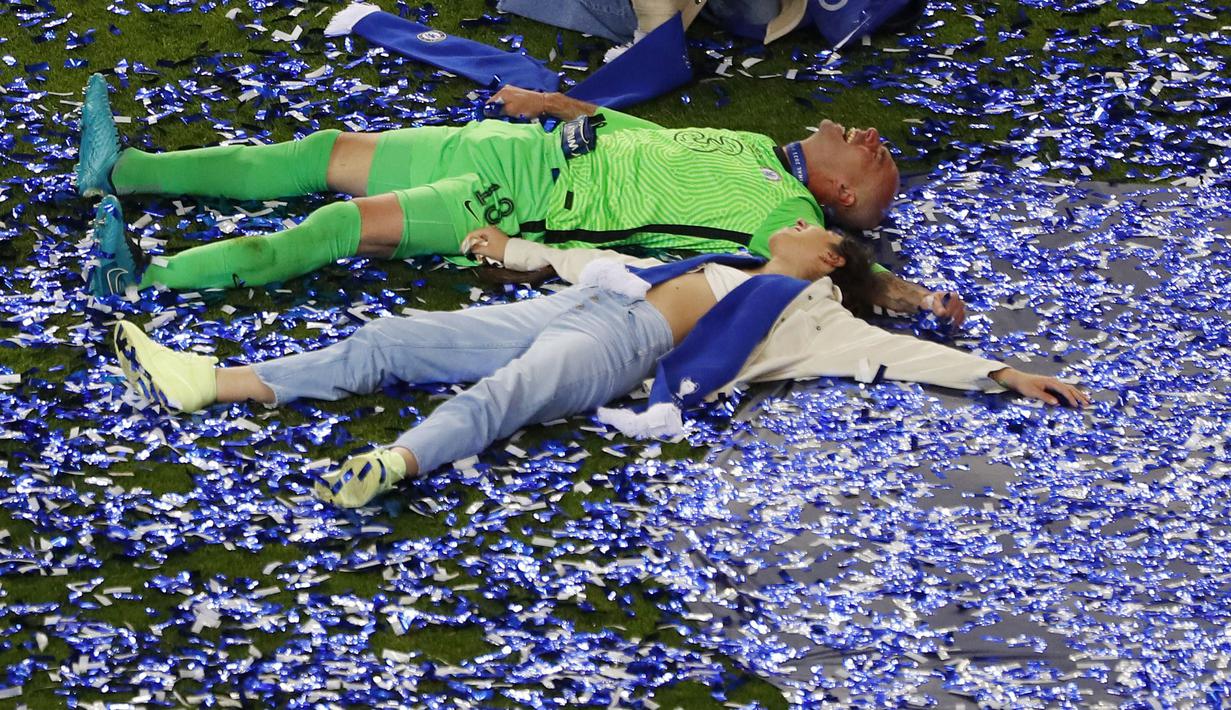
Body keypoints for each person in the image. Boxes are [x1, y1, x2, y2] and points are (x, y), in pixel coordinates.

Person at [110, 221, 1088, 509]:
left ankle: (392, 464)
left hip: (628, 348)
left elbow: (897, 352)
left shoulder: (816, 314)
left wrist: (1002, 372)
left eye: (804, 224)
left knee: (507, 396)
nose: (785, 223)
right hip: (591, 302)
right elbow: (602, 264)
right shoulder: (731, 264)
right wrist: (517, 252)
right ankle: (205, 380)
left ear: (828, 254)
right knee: (393, 340)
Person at [76, 74, 966, 326]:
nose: (868, 135)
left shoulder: (788, 220)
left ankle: (146, 278)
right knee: (321, 154)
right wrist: (557, 105)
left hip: (519, 199)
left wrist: (916, 298)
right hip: (523, 144)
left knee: (338, 226)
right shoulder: (748, 144)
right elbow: (635, 134)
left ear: (839, 195)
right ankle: (124, 174)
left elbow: (854, 273)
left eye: (874, 158)